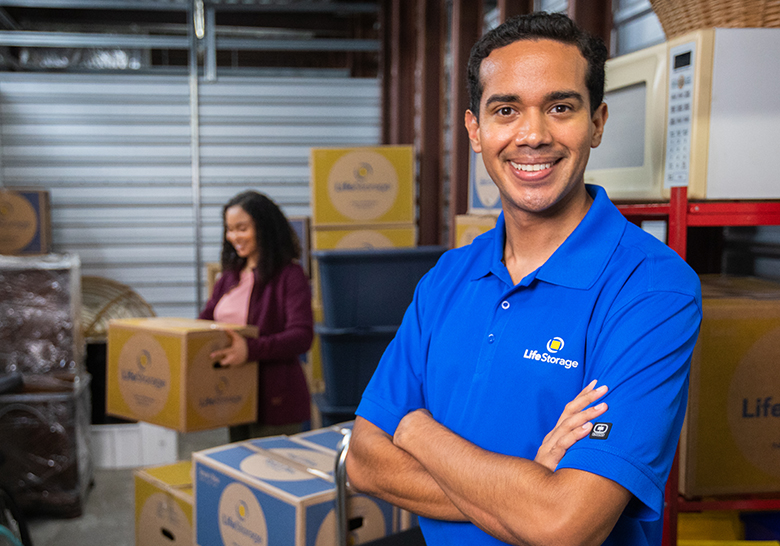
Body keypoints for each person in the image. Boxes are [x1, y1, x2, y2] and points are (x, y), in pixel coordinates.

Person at [345, 12, 702, 546]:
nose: (533, 135)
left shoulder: (653, 291)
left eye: (560, 108)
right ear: (475, 130)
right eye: (506, 110)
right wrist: (528, 488)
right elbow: (365, 462)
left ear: (598, 122)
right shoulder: (447, 279)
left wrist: (414, 428)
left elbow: (564, 525)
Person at [199, 190, 313, 441]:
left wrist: (250, 350)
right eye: (229, 230)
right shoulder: (229, 276)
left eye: (242, 228)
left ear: (264, 228)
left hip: (275, 399)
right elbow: (206, 319)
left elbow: (301, 336)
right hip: (233, 394)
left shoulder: (289, 276)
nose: (234, 237)